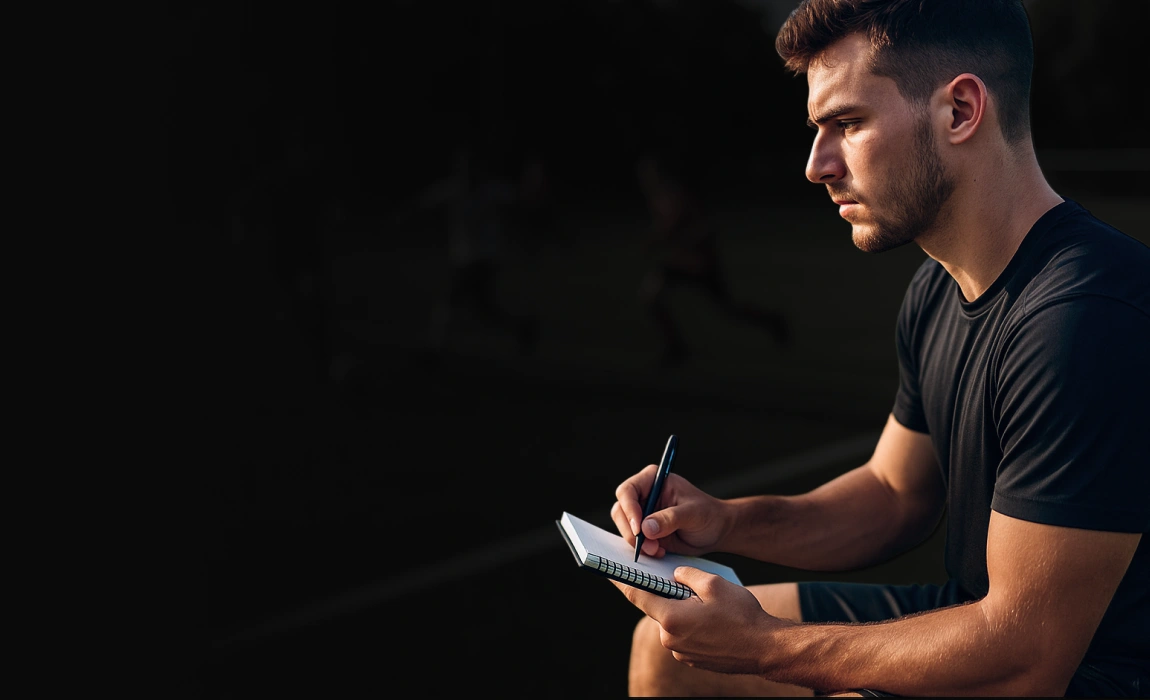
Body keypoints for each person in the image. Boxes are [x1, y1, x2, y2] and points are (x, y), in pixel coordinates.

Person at [606, 1, 1148, 696]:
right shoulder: (937, 288)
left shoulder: (1087, 318)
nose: (816, 165)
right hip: (983, 619)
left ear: (960, 111)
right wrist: (721, 521)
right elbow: (894, 495)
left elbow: (1027, 656)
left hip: (1093, 671)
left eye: (848, 123)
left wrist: (765, 647)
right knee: (661, 652)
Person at [635, 150, 791, 367]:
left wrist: (653, 241)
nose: (645, 178)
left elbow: (675, 224)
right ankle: (676, 347)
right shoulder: (661, 196)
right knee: (654, 297)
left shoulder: (672, 194)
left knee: (729, 310)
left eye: (649, 172)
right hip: (682, 262)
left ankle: (773, 321)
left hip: (698, 263)